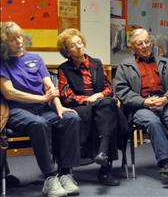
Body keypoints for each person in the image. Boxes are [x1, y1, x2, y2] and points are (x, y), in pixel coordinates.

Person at [0, 22, 80, 197]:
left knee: (71, 118)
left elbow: (50, 88)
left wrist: (60, 108)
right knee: (39, 123)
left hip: (43, 108)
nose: (20, 41)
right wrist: (42, 99)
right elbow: (9, 92)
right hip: (17, 110)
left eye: (20, 36)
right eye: (13, 39)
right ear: (5, 44)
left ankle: (65, 173)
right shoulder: (3, 62)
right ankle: (50, 177)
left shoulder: (36, 58)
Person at [113, 28, 168, 187]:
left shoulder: (166, 62)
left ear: (151, 42)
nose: (145, 45)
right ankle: (166, 163)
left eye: (147, 41)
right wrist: (144, 102)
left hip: (165, 101)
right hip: (140, 106)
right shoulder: (125, 66)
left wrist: (166, 98)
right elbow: (121, 91)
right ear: (132, 47)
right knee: (153, 122)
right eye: (140, 43)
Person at [57, 28, 122, 186]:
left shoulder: (97, 63)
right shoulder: (64, 69)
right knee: (109, 108)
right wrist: (88, 100)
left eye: (79, 42)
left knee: (107, 105)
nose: (78, 47)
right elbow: (66, 95)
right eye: (73, 45)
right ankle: (105, 168)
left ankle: (103, 154)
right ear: (67, 51)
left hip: (100, 101)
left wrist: (98, 96)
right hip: (80, 106)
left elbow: (108, 88)